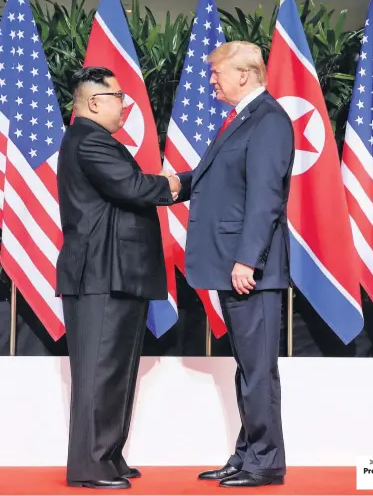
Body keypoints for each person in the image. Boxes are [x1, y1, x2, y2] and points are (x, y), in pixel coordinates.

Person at [169, 41, 294, 488]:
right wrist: (171, 185)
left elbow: (265, 199)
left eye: (216, 71)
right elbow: (214, 179)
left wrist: (248, 260)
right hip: (232, 265)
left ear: (244, 73)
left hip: (249, 271)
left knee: (258, 368)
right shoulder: (243, 118)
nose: (211, 79)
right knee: (247, 366)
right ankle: (247, 455)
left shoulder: (269, 121)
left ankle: (265, 461)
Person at [55, 66, 181, 489]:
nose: (125, 104)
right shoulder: (88, 139)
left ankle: (107, 456)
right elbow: (132, 187)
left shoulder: (94, 140)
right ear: (93, 102)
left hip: (117, 272)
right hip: (100, 273)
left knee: (117, 371)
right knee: (99, 372)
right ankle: (90, 466)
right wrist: (180, 183)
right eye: (119, 97)